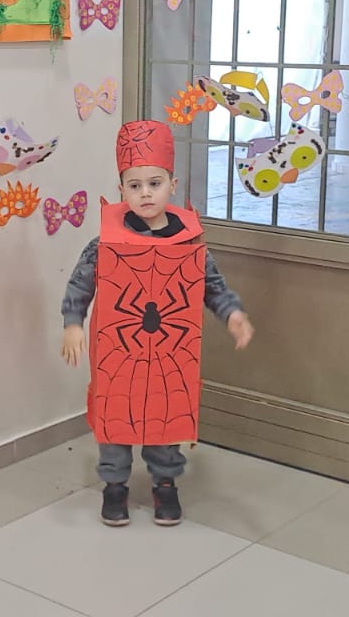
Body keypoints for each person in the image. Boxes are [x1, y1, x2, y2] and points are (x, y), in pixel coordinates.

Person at [59, 120, 255, 527]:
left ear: (172, 184)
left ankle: (165, 482)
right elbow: (80, 284)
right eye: (135, 185)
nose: (145, 193)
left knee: (167, 412)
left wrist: (232, 314)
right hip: (119, 352)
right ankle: (114, 484)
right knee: (115, 415)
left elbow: (212, 286)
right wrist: (72, 322)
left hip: (169, 354)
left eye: (155, 183)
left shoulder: (189, 241)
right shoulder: (105, 242)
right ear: (121, 189)